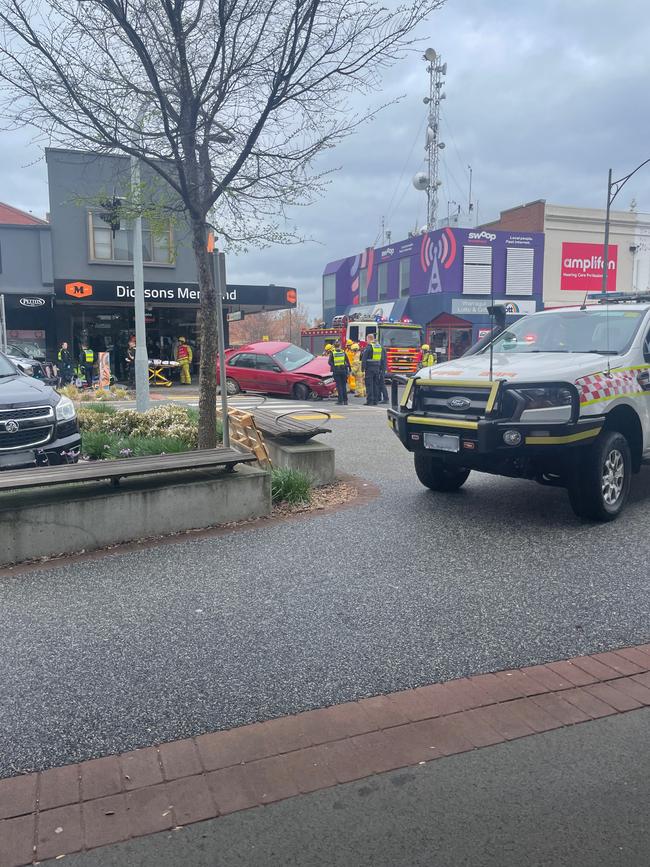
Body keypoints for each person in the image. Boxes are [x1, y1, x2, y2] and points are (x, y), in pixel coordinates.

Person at [361, 333, 385, 406]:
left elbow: (364, 358)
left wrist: (363, 368)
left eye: (366, 339)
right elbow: (382, 358)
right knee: (375, 385)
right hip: (377, 368)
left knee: (369, 385)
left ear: (368, 338)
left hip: (369, 368)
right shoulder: (378, 347)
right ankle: (375, 401)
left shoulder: (369, 347)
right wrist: (382, 368)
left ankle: (370, 401)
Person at [329, 339, 351, 405]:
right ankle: (345, 401)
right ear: (340, 346)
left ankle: (340, 401)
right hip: (344, 370)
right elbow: (348, 361)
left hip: (336, 371)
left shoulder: (333, 353)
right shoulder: (343, 352)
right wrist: (349, 369)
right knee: (344, 386)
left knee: (339, 386)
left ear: (334, 346)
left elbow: (329, 362)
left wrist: (334, 366)